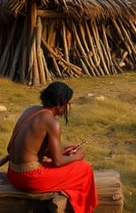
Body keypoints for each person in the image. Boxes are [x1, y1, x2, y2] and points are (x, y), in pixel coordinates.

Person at [7, 81, 98, 213]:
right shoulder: (51, 122)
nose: (68, 107)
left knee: (73, 165)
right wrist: (77, 156)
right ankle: (81, 209)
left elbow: (30, 147)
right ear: (61, 103)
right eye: (68, 103)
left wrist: (62, 151)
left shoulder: (31, 110)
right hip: (28, 179)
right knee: (84, 169)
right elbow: (58, 161)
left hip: (13, 173)